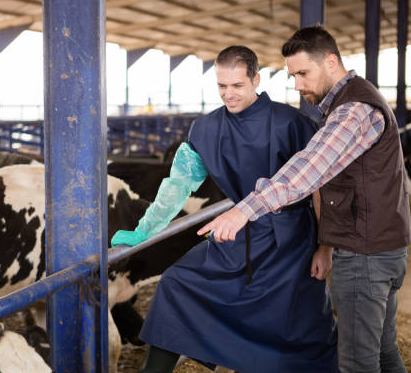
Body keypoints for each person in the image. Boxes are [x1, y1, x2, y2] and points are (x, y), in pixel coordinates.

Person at [112, 45, 338, 373]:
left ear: (256, 80)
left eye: (237, 86)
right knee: (177, 284)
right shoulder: (205, 129)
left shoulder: (293, 123)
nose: (228, 95)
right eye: (222, 86)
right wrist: (146, 229)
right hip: (235, 234)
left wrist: (325, 247)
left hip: (291, 241)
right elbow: (178, 185)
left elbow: (320, 187)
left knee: (296, 325)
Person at [199, 26, 411, 373]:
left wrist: (244, 210)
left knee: (357, 363)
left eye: (302, 73)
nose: (296, 85)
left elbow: (308, 170)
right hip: (383, 246)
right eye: (292, 75)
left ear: (330, 62)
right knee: (384, 353)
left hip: (364, 255)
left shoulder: (353, 110)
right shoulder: (350, 101)